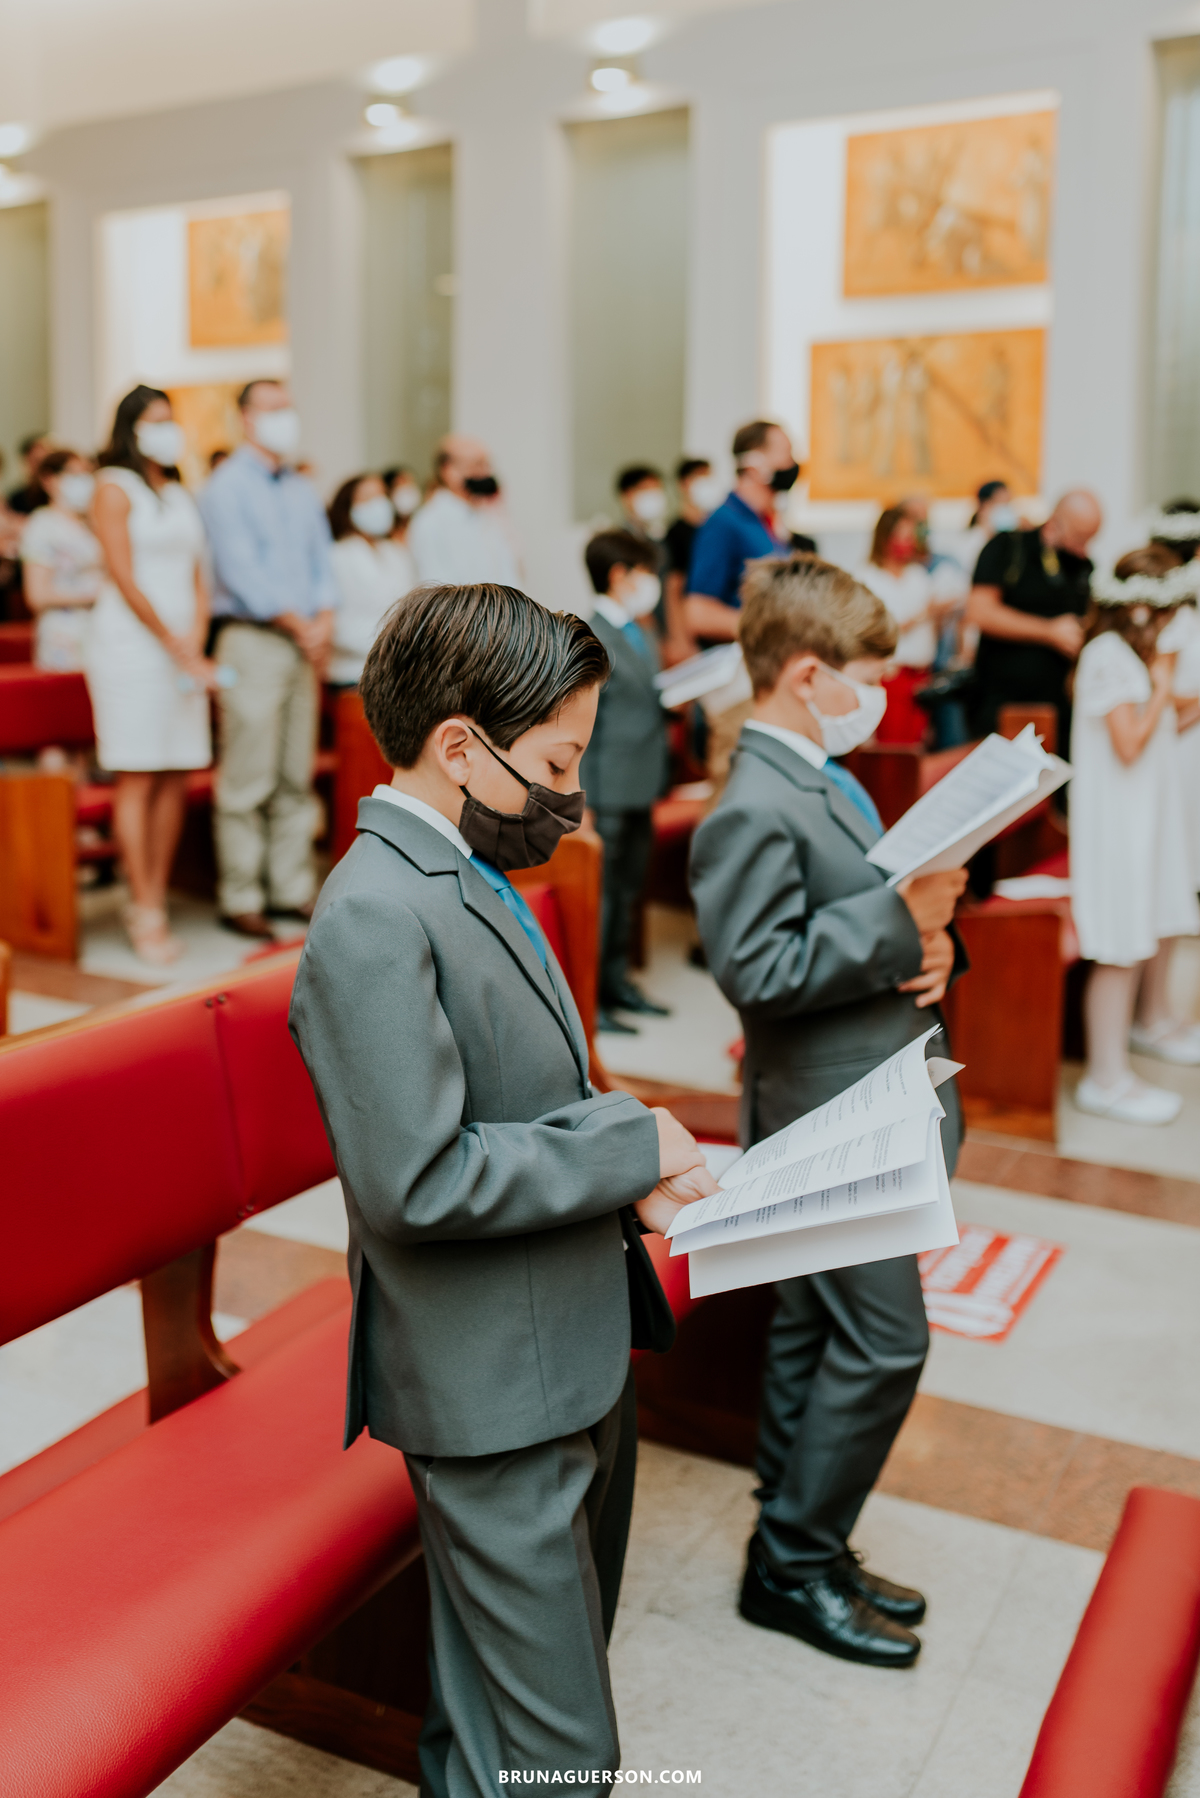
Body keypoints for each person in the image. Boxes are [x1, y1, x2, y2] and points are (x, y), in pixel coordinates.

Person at [288, 581, 717, 1793]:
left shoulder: (467, 868)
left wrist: (628, 1174)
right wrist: (627, 1147)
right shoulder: (374, 913)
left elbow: (526, 1092)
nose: (570, 796)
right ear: (462, 748)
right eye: (556, 761)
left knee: (494, 1722)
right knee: (564, 1755)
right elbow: (415, 1181)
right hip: (488, 1387)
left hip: (566, 1337)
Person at [690, 553, 967, 1670]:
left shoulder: (817, 773)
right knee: (886, 1341)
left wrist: (929, 942)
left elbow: (860, 913)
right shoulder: (752, 799)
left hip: (866, 1088)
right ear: (809, 674)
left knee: (814, 1329)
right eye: (874, 675)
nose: (885, 696)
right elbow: (757, 969)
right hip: (823, 1111)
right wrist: (903, 921)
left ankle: (797, 1545)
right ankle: (796, 1558)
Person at [199, 379, 337, 939]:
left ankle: (292, 887)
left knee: (293, 774)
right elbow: (238, 570)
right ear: (245, 419)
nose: (285, 417)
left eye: (289, 407)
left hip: (302, 642)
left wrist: (322, 619)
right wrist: (298, 623)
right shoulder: (225, 487)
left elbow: (321, 562)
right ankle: (241, 894)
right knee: (247, 774)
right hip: (253, 638)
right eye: (272, 409)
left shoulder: (300, 488)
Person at [1070, 546, 1200, 1124]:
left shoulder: (1125, 653)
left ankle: (1118, 1068)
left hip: (1136, 819)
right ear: (1144, 609)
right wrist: (1165, 682)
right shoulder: (1107, 654)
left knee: (1132, 943)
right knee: (1117, 948)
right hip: (1112, 825)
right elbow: (1128, 744)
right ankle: (1105, 1079)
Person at [88, 386, 216, 964]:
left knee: (176, 774)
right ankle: (143, 906)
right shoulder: (113, 487)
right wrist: (171, 642)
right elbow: (123, 574)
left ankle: (156, 891)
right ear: (132, 428)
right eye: (156, 421)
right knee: (138, 775)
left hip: (183, 649)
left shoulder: (179, 491)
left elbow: (197, 572)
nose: (168, 430)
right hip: (132, 650)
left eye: (172, 420)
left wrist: (197, 637)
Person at [581, 529, 672, 1035]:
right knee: (605, 896)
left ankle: (618, 983)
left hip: (642, 782)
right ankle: (591, 998)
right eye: (645, 573)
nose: (652, 583)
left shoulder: (641, 631)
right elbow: (585, 724)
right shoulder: (591, 635)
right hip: (608, 788)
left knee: (629, 891)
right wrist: (584, 798)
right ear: (620, 575)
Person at [685, 420, 799, 792]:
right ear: (754, 463)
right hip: (737, 690)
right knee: (735, 793)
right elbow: (698, 612)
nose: (793, 462)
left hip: (768, 680)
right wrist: (766, 625)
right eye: (784, 453)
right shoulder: (724, 523)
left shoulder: (765, 523)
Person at [965, 489, 1102, 747]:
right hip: (1004, 701)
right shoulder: (1007, 547)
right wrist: (1049, 631)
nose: (1085, 549)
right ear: (1056, 524)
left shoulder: (1081, 566)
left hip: (1059, 706)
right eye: (1080, 538)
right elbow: (980, 612)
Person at [857, 506, 946, 745]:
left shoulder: (918, 575)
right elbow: (876, 631)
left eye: (911, 537)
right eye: (902, 536)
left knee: (918, 745)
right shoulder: (869, 578)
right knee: (893, 748)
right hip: (890, 676)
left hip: (922, 676)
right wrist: (921, 615)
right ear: (886, 537)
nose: (908, 543)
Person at [326, 473, 416, 687]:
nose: (379, 504)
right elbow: (337, 623)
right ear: (348, 507)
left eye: (383, 495)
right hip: (353, 671)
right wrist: (391, 645)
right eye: (368, 498)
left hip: (399, 671)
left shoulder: (397, 552)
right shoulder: (337, 555)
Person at [20, 449, 103, 671]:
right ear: (49, 480)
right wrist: (93, 595)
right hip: (64, 636)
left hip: (100, 631)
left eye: (87, 473)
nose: (84, 480)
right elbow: (37, 595)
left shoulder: (91, 523)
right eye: (74, 473)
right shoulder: (42, 525)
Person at [408, 435, 521, 586]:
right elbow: (435, 589)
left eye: (487, 464)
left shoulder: (487, 515)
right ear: (448, 470)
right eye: (477, 465)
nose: (485, 472)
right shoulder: (429, 522)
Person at [663, 457, 720, 658]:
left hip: (717, 624)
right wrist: (680, 639)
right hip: (692, 629)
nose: (706, 483)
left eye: (709, 477)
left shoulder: (716, 528)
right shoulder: (676, 533)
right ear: (683, 485)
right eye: (699, 477)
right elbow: (673, 588)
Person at [7, 431, 52, 517]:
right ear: (26, 461)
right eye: (36, 460)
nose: (41, 466)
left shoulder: (57, 496)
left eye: (46, 460)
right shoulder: (16, 499)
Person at [383, 463, 423, 542]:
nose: (407, 489)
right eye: (400, 484)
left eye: (410, 482)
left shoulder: (422, 525)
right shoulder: (382, 532)